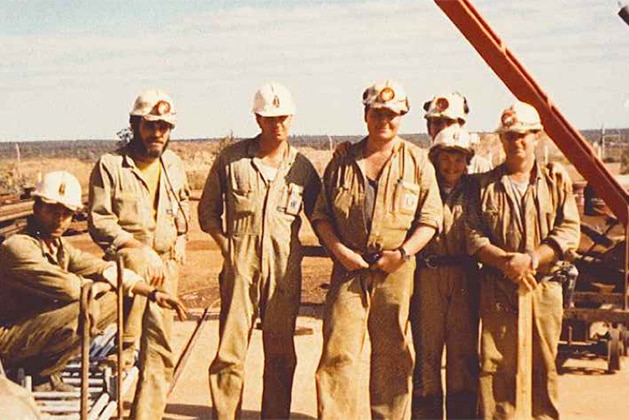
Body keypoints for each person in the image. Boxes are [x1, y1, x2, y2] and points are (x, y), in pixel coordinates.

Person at [313, 80, 443, 419]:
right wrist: (340, 251)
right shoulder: (342, 161)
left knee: (393, 356)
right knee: (338, 353)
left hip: (396, 270)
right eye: (377, 113)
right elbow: (321, 216)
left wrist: (401, 255)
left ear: (402, 117)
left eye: (392, 114)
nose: (384, 120)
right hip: (348, 269)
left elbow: (430, 220)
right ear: (365, 115)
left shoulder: (417, 162)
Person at [0, 171, 186, 395]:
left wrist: (152, 293)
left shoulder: (57, 245)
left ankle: (44, 372)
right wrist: (100, 287)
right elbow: (70, 288)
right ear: (37, 208)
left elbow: (101, 268)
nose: (59, 219)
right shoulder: (18, 247)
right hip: (9, 337)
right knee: (87, 307)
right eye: (52, 210)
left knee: (114, 294)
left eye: (66, 213)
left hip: (33, 329)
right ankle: (33, 369)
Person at [198, 82, 321, 419]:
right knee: (230, 353)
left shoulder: (302, 169)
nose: (276, 124)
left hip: (283, 273)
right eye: (269, 118)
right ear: (257, 118)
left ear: (292, 117)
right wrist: (228, 248)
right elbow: (207, 212)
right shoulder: (232, 160)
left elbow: (322, 217)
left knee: (281, 354)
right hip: (239, 270)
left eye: (282, 117)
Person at [465, 101, 580, 419]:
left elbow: (568, 229)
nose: (515, 142)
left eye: (522, 135)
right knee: (496, 365)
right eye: (509, 136)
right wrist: (505, 261)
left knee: (543, 364)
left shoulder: (556, 182)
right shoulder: (484, 186)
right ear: (501, 140)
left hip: (543, 286)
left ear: (537, 136)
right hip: (498, 286)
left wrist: (532, 259)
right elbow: (473, 236)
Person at [88, 89, 190, 419]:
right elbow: (100, 221)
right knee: (128, 350)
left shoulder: (173, 165)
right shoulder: (111, 167)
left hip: (166, 268)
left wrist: (181, 241)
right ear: (135, 125)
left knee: (160, 351)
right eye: (151, 125)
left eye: (165, 127)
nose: (158, 133)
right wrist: (141, 250)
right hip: (129, 269)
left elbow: (182, 205)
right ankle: (125, 348)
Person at [410, 127, 479, 419]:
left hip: (464, 275)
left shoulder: (477, 190)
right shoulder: (421, 187)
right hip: (428, 274)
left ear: (467, 162)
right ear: (435, 159)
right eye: (446, 159)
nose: (452, 166)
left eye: (459, 159)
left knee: (462, 355)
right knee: (426, 353)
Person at [423, 92, 493, 173]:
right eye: (437, 123)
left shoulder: (479, 167)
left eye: (449, 122)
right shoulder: (420, 163)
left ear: (461, 125)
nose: (443, 128)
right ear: (428, 127)